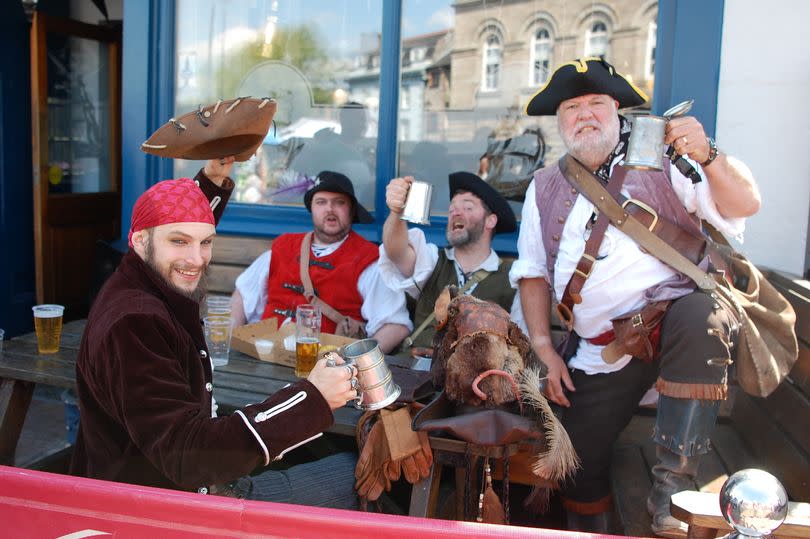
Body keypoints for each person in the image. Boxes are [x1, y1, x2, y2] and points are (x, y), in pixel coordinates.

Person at [511, 57, 761, 536]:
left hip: (673, 327)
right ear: (560, 121)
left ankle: (675, 491)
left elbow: (745, 204)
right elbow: (532, 273)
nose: (585, 114)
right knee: (575, 459)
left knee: (701, 313)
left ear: (618, 110)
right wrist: (544, 347)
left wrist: (708, 154)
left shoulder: (667, 159)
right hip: (604, 348)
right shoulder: (544, 185)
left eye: (596, 103)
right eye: (572, 107)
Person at [71, 158, 360, 508]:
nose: (196, 259)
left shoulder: (134, 281)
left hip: (150, 482)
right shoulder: (134, 324)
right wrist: (313, 397)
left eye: (206, 242)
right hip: (166, 507)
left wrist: (209, 182)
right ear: (139, 241)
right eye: (179, 242)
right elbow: (188, 455)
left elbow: (180, 221)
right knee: (354, 470)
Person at [232, 170, 411, 354]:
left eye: (339, 202)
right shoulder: (282, 247)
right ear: (312, 208)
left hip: (326, 367)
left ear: (351, 210)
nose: (329, 209)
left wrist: (355, 366)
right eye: (321, 202)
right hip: (264, 358)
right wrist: (232, 349)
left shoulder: (368, 260)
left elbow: (396, 326)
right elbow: (242, 296)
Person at [380, 171, 522, 350]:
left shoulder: (512, 278)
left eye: (468, 207)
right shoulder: (431, 261)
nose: (456, 213)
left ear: (490, 221)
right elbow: (395, 251)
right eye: (451, 209)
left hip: (475, 375)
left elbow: (520, 343)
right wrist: (396, 212)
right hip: (418, 371)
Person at [288, 102, 374, 209]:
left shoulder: (364, 152)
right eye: (359, 119)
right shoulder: (326, 151)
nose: (363, 124)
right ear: (344, 120)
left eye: (365, 120)